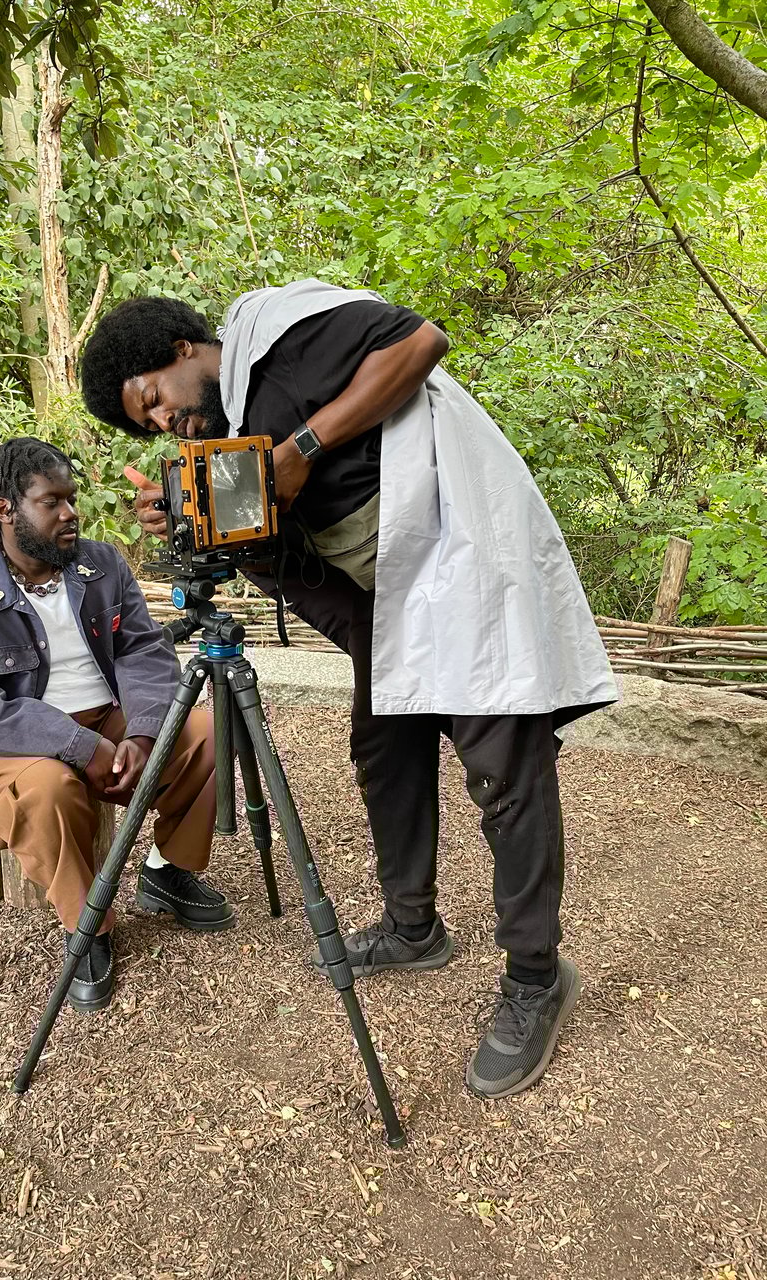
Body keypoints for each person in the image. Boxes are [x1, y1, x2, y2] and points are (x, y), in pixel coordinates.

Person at [78, 280, 618, 1098]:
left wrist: (299, 448)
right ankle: (413, 926)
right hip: (396, 605)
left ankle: (537, 976)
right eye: (145, 422)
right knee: (382, 748)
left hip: (463, 555)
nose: (161, 420)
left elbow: (421, 342)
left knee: (502, 770)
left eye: (153, 398)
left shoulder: (278, 336)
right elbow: (294, 564)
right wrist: (203, 522)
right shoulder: (230, 454)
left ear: (183, 351)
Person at [0, 438, 234, 1014]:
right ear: (5, 509)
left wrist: (141, 734)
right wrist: (75, 744)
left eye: (72, 499)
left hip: (109, 715)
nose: (70, 514)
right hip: (15, 741)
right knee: (47, 789)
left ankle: (167, 872)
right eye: (51, 502)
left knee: (206, 731)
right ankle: (88, 924)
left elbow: (143, 649)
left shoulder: (101, 564)